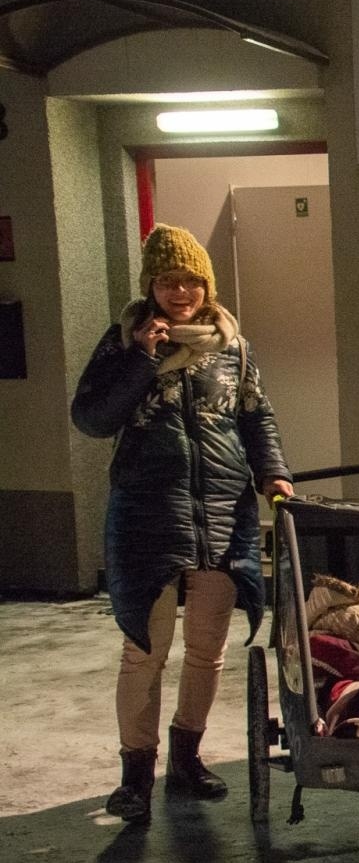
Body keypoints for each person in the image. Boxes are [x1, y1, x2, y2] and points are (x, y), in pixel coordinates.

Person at [71, 223, 293, 824]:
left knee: (207, 648)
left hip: (223, 512)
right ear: (150, 286)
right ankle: (135, 775)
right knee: (144, 650)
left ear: (206, 285)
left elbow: (257, 417)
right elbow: (92, 418)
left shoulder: (233, 346)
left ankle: (187, 758)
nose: (181, 291)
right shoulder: (125, 342)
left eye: (191, 280)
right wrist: (143, 360)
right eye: (168, 281)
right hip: (147, 517)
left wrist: (274, 473)